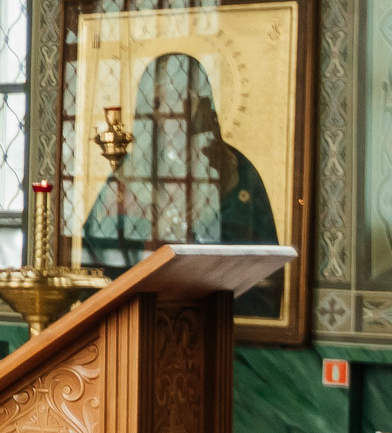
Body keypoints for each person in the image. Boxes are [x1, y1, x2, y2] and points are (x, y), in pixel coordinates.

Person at [80, 51, 285, 318]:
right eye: (158, 99)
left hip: (215, 318)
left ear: (200, 103)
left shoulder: (234, 171)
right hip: (138, 318)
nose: (170, 108)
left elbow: (259, 266)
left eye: (181, 95)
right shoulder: (129, 173)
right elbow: (95, 262)